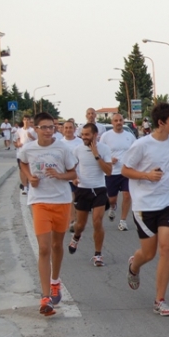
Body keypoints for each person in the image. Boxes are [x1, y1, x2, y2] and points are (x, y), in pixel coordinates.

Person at [122, 103, 169, 316]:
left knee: (166, 247)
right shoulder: (141, 145)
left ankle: (160, 300)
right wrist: (146, 176)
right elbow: (125, 170)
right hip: (145, 204)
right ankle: (135, 265)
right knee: (149, 253)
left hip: (168, 202)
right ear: (161, 123)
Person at [18, 112, 78, 316]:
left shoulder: (63, 148)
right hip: (39, 201)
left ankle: (55, 282)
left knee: (56, 245)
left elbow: (74, 173)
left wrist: (61, 175)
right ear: (35, 129)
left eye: (51, 127)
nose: (48, 131)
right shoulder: (29, 148)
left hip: (61, 200)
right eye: (44, 127)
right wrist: (29, 178)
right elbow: (22, 162)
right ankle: (45, 297)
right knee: (44, 248)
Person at [68, 123, 113, 267]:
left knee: (97, 222)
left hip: (99, 189)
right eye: (82, 134)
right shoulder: (77, 150)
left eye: (87, 134)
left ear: (95, 135)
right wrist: (74, 178)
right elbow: (71, 168)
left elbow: (109, 171)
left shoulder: (104, 149)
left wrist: (97, 156)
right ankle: (76, 237)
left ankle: (98, 254)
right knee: (80, 225)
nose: (83, 137)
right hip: (83, 190)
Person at [99, 113, 136, 231]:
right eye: (116, 120)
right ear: (112, 122)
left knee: (127, 195)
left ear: (123, 121)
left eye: (120, 120)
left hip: (126, 171)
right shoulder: (106, 136)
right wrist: (109, 160)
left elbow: (136, 150)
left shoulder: (129, 136)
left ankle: (123, 221)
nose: (118, 122)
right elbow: (100, 153)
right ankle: (113, 206)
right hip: (111, 172)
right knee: (112, 199)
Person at [60, 120, 82, 232]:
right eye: (66, 128)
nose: (68, 130)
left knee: (79, 200)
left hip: (80, 176)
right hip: (67, 176)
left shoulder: (80, 142)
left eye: (70, 127)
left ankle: (79, 219)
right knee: (70, 198)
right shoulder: (59, 143)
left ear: (74, 129)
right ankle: (73, 221)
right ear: (63, 130)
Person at [15, 114, 37, 195]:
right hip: (21, 152)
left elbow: (37, 141)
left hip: (31, 153)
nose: (26, 121)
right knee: (22, 169)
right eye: (25, 119)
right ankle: (24, 186)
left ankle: (29, 185)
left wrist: (32, 137)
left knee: (30, 170)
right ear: (23, 120)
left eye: (28, 120)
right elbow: (16, 140)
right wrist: (18, 144)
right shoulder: (19, 130)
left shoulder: (33, 131)